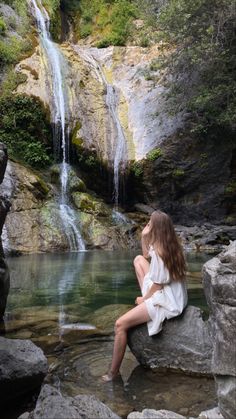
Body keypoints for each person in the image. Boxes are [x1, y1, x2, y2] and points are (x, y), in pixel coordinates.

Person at [102, 210, 188, 382]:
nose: (147, 225)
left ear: (157, 228)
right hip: (173, 294)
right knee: (138, 260)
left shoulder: (162, 253)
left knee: (120, 325)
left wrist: (144, 299)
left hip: (167, 300)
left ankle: (113, 373)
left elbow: (158, 284)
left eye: (150, 223)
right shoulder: (170, 245)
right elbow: (145, 255)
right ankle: (144, 304)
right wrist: (143, 236)